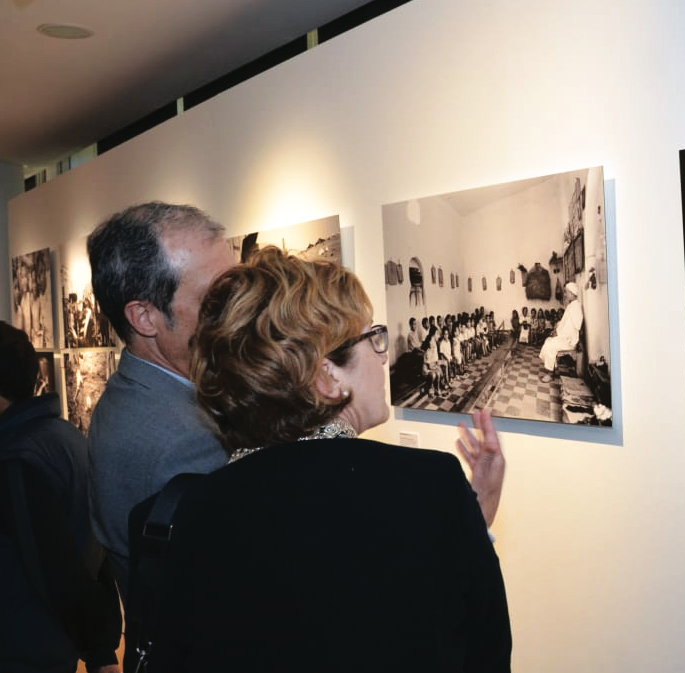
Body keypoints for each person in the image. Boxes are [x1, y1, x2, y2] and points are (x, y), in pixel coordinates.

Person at [141, 247, 509, 671]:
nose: (385, 354)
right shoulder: (431, 483)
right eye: (373, 338)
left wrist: (466, 521)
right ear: (326, 376)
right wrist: (469, 526)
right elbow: (483, 654)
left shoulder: (190, 510)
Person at [86, 202, 236, 592]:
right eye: (216, 298)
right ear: (145, 318)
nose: (239, 311)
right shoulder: (188, 442)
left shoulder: (129, 393)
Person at [0, 322, 121, 673]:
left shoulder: (18, 458)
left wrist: (99, 648)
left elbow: (56, 569)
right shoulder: (63, 437)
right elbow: (95, 551)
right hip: (48, 645)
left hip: (26, 652)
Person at [540, 282, 584, 382]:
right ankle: (553, 368)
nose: (565, 294)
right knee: (548, 341)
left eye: (566, 292)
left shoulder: (576, 307)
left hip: (569, 340)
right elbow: (563, 322)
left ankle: (550, 374)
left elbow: (575, 326)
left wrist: (559, 334)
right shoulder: (571, 306)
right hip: (565, 336)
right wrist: (556, 330)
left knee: (551, 345)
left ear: (572, 294)